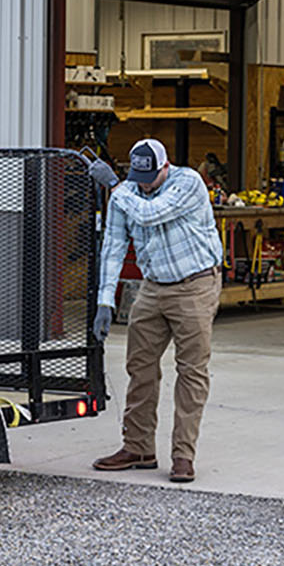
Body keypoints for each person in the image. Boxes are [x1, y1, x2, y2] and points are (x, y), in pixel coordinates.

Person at [86, 138, 223, 483]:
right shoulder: (128, 190)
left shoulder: (187, 182)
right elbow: (114, 247)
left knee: (191, 371)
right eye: (136, 176)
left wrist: (115, 187)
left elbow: (152, 212)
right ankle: (138, 447)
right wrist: (105, 300)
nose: (143, 183)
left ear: (165, 166)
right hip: (152, 287)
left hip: (195, 284)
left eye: (149, 176)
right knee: (140, 366)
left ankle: (183, 456)